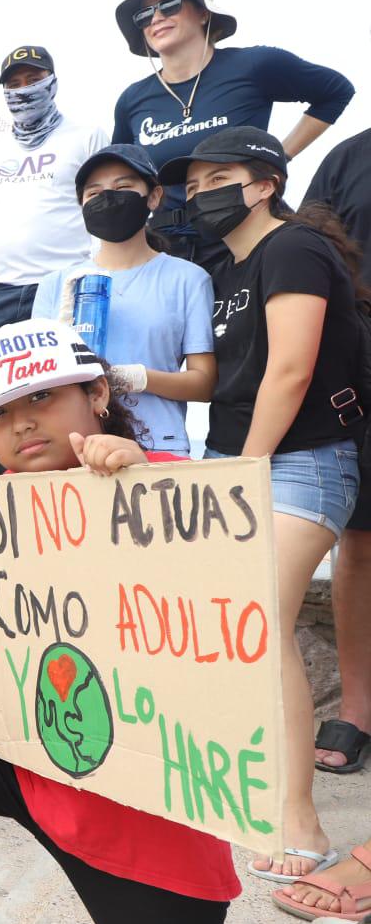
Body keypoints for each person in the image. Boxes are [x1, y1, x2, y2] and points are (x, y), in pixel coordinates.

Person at [0, 318, 371, 924]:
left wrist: (150, 493)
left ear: (98, 394)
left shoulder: (178, 485)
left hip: (140, 812)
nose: (21, 424)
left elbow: (238, 609)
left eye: (41, 398)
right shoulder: (15, 513)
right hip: (33, 754)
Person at [162, 127, 365, 881]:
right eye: (191, 180)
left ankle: (302, 825)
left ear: (265, 183)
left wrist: (239, 479)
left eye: (219, 175)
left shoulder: (293, 250)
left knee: (262, 627)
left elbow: (289, 372)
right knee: (230, 633)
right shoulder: (229, 266)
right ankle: (251, 792)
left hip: (296, 468)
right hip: (235, 464)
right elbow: (227, 381)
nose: (199, 191)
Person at [112, 0, 355, 268]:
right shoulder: (132, 99)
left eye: (171, 3)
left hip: (247, 235)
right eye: (144, 14)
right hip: (169, 246)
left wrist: (279, 155)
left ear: (203, 13)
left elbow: (335, 92)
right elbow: (123, 176)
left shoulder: (253, 65)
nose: (157, 17)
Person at [31, 142, 215, 455]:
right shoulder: (57, 284)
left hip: (159, 446)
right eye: (94, 192)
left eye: (123, 186)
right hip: (74, 448)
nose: (108, 197)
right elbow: (36, 384)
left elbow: (204, 383)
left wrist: (137, 378)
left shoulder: (188, 279)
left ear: (154, 196)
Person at [304, 127, 371, 775]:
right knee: (362, 540)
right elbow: (316, 255)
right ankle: (357, 709)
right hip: (365, 367)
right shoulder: (349, 157)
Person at [0, 46, 109, 329]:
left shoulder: (87, 136)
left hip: (65, 283)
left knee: (70, 372)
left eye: (33, 79)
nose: (24, 90)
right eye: (14, 84)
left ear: (52, 82)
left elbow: (103, 212)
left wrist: (98, 275)